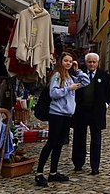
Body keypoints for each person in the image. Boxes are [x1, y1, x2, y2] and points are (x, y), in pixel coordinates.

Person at [35, 52, 90, 187]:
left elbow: (86, 81)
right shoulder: (57, 76)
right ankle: (39, 173)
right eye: (66, 61)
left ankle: (53, 172)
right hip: (57, 114)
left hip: (67, 115)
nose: (68, 63)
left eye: (71, 61)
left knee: (60, 143)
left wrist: (77, 70)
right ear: (61, 61)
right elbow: (53, 93)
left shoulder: (71, 77)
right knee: (51, 143)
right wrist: (68, 89)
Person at [72, 52, 110, 175]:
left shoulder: (104, 75)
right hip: (81, 111)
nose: (92, 64)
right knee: (79, 138)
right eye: (89, 62)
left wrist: (105, 104)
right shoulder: (80, 74)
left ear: (97, 63)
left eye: (94, 62)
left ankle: (95, 166)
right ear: (86, 62)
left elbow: (109, 91)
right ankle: (78, 163)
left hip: (96, 112)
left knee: (96, 139)